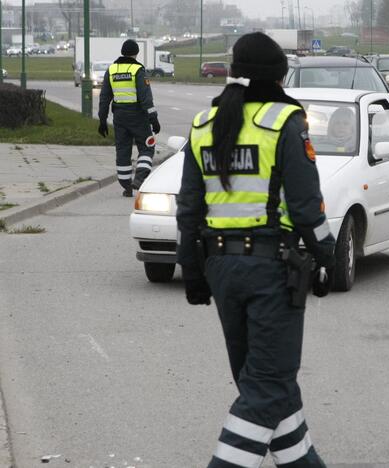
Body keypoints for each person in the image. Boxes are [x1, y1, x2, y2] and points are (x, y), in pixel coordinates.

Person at [176, 32, 334, 468]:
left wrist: (191, 269)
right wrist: (329, 258)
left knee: (266, 387)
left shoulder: (204, 123)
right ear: (278, 75)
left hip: (221, 269)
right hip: (271, 272)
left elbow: (188, 207)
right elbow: (306, 208)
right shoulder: (285, 121)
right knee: (267, 387)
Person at [98, 39, 161, 197]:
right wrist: (153, 118)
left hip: (119, 117)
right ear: (136, 53)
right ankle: (139, 178)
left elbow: (104, 97)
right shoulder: (137, 70)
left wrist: (102, 120)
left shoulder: (111, 70)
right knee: (147, 147)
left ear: (122, 52)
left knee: (122, 150)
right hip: (138, 116)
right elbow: (146, 97)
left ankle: (126, 186)